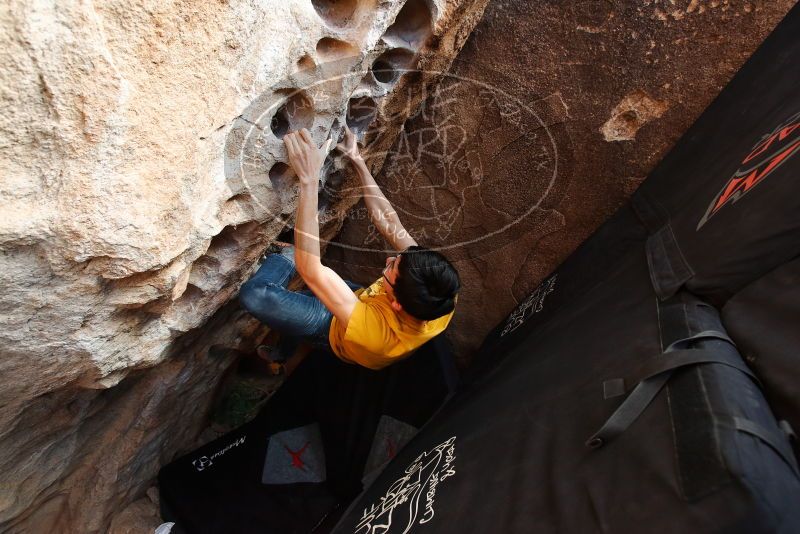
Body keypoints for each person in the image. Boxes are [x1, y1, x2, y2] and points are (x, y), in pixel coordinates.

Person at [239, 126, 460, 370]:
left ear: (397, 303)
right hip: (362, 299)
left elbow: (310, 269)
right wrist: (356, 159)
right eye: (399, 258)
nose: (388, 260)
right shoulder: (438, 288)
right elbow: (389, 222)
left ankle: (286, 257)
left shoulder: (375, 337)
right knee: (299, 305)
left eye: (392, 269)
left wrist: (309, 179)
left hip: (334, 329)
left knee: (256, 296)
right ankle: (281, 354)